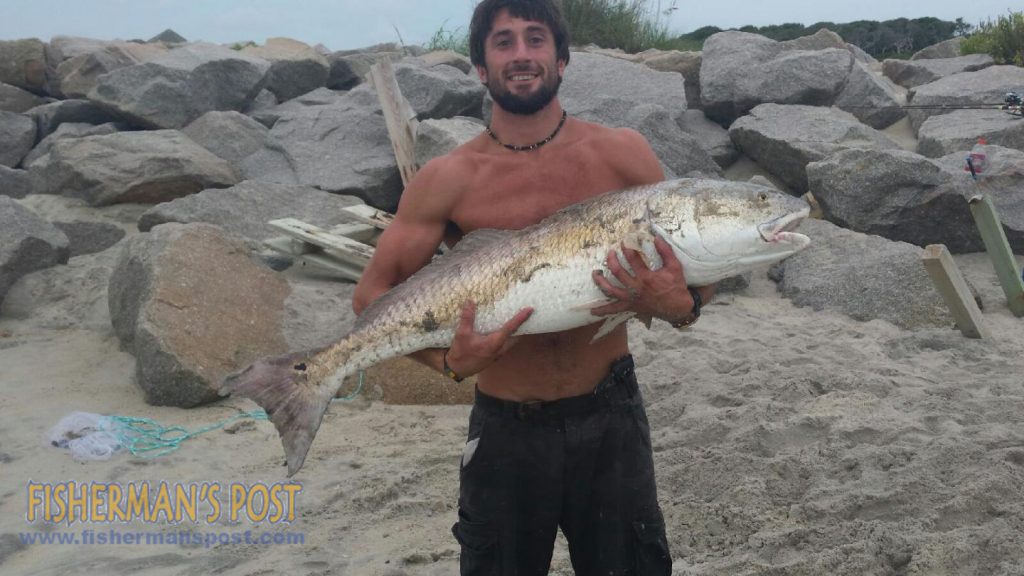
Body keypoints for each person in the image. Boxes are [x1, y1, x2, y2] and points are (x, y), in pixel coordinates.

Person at [352, 0, 714, 573]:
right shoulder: (448, 179)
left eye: (535, 39)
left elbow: (694, 265)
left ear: (562, 58)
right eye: (503, 42)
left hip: (611, 418)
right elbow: (372, 296)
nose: (521, 54)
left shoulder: (621, 155)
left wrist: (683, 306)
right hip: (506, 430)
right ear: (479, 67)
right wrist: (447, 362)